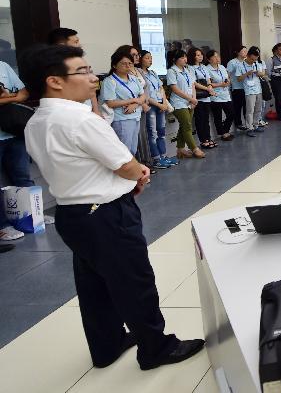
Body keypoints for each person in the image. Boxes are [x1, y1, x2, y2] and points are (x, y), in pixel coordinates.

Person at [21, 44, 205, 370]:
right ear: (55, 81)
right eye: (83, 71)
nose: (93, 78)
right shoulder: (80, 121)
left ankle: (106, 345)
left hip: (72, 213)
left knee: (94, 284)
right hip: (104, 212)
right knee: (134, 282)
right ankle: (155, 348)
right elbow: (126, 164)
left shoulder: (37, 120)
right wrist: (140, 173)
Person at [0, 59, 35, 247]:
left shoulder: (3, 66)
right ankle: (3, 226)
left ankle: (31, 216)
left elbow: (23, 94)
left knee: (23, 176)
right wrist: (11, 96)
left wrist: (9, 98)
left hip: (13, 131)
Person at [100, 48, 146, 155]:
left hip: (136, 116)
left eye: (130, 63)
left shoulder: (133, 78)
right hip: (121, 119)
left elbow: (143, 95)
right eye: (124, 64)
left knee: (133, 149)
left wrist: (135, 104)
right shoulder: (109, 81)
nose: (128, 66)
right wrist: (134, 100)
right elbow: (110, 103)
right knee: (124, 150)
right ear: (114, 65)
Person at [47, 27, 102, 116]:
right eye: (76, 42)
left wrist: (96, 110)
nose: (80, 45)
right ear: (62, 45)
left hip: (87, 111)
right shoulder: (52, 67)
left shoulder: (81, 61)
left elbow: (92, 88)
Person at [137, 50, 176, 171]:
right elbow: (144, 94)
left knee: (161, 132)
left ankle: (164, 156)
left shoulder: (153, 72)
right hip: (151, 105)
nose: (150, 60)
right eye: (147, 58)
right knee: (152, 133)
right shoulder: (138, 73)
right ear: (141, 59)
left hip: (161, 104)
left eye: (151, 58)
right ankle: (156, 158)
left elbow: (161, 88)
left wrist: (164, 103)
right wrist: (159, 105)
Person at [166, 50, 204, 159]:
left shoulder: (187, 70)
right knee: (187, 125)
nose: (185, 59)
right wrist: (190, 99)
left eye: (185, 57)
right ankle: (194, 148)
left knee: (184, 125)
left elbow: (192, 85)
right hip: (178, 102)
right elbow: (175, 89)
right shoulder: (172, 71)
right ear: (175, 59)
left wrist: (193, 98)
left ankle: (180, 149)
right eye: (182, 58)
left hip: (190, 101)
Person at [187, 47, 216, 149]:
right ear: (192, 56)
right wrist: (208, 89)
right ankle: (203, 140)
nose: (200, 57)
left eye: (201, 55)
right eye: (197, 55)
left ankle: (208, 138)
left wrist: (210, 87)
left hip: (207, 97)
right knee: (200, 120)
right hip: (198, 97)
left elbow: (208, 80)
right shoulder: (190, 68)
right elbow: (194, 83)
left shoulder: (204, 67)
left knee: (206, 119)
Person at [234, 46, 266, 136]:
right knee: (250, 110)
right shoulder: (240, 65)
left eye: (255, 59)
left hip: (258, 89)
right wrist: (247, 73)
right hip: (249, 91)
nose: (253, 61)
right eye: (252, 59)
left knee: (258, 109)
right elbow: (238, 79)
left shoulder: (256, 64)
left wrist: (257, 73)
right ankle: (249, 128)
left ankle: (256, 125)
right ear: (247, 56)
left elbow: (263, 74)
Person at [205, 50, 235, 141]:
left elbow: (227, 78)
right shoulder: (207, 69)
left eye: (218, 56)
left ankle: (224, 131)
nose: (217, 58)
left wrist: (228, 81)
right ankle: (223, 134)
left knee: (231, 114)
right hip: (215, 95)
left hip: (225, 94)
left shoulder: (222, 67)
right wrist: (220, 84)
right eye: (215, 57)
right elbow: (208, 83)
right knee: (218, 117)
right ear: (209, 59)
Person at [227, 46, 248, 131]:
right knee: (237, 107)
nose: (245, 53)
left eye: (246, 51)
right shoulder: (232, 62)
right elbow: (227, 74)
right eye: (243, 51)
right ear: (238, 52)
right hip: (237, 88)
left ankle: (248, 123)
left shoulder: (246, 62)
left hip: (247, 87)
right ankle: (238, 123)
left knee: (247, 107)